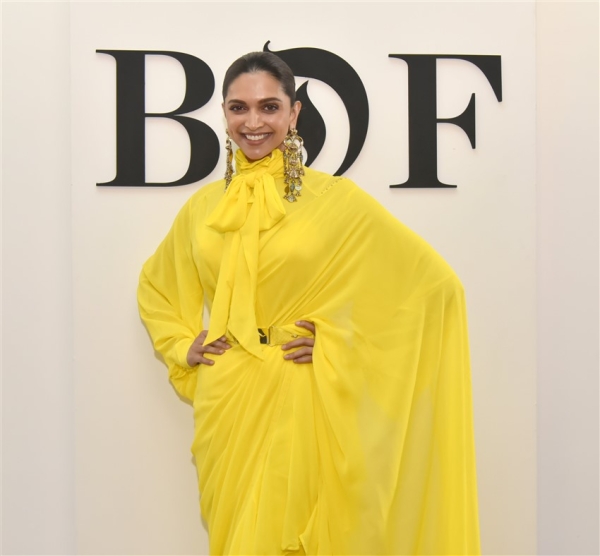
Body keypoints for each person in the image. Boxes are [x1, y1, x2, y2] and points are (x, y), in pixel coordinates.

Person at [138, 51, 480, 555]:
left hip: (301, 391)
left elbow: (433, 287)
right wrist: (181, 344)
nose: (253, 122)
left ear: (294, 113)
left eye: (269, 107)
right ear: (224, 113)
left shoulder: (335, 200)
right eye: (238, 107)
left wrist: (340, 338)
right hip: (228, 395)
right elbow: (158, 285)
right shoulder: (203, 207)